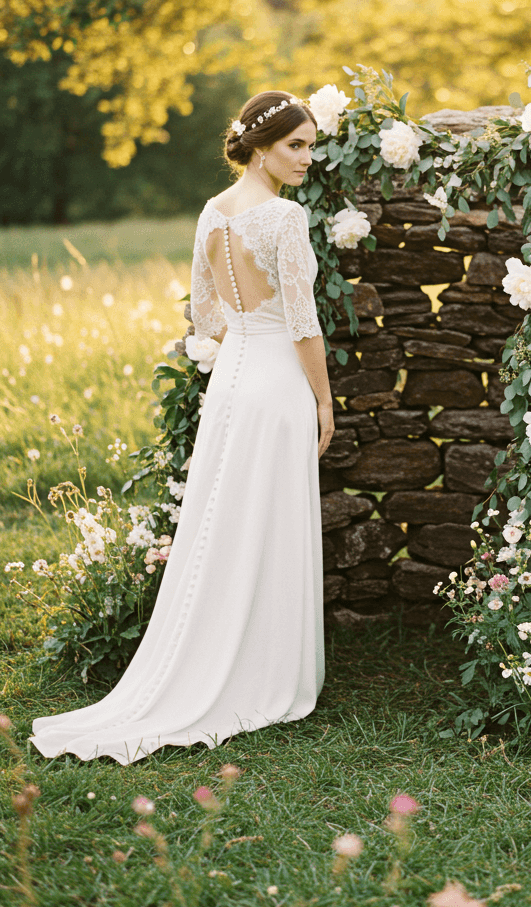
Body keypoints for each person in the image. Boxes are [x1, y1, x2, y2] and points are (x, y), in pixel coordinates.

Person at [30, 92, 334, 764]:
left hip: (230, 381)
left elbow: (205, 317)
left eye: (311, 144)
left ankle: (215, 654)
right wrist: (324, 399)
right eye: (297, 146)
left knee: (226, 520)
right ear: (260, 148)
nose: (309, 159)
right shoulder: (284, 216)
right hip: (277, 376)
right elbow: (305, 321)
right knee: (268, 517)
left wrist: (243, 350)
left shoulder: (212, 214)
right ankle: (267, 672)